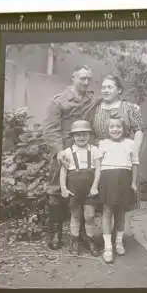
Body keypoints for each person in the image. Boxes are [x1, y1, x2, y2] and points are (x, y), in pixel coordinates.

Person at [43, 66, 97, 250]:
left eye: (89, 79)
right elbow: (50, 129)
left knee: (84, 188)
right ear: (73, 78)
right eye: (82, 78)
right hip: (64, 151)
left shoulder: (92, 100)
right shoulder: (59, 101)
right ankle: (55, 232)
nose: (86, 82)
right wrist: (59, 151)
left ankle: (81, 232)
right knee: (56, 190)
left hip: (84, 151)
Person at [92, 75, 144, 210]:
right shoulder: (95, 108)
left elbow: (138, 130)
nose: (105, 90)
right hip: (103, 157)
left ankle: (122, 230)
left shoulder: (129, 107)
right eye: (103, 87)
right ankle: (107, 230)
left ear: (119, 90)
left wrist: (135, 151)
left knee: (123, 197)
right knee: (106, 199)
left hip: (123, 156)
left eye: (110, 87)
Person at [98, 116, 139, 263]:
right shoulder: (103, 143)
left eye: (118, 127)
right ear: (107, 129)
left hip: (124, 179)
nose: (115, 129)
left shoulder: (130, 143)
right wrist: (97, 182)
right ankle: (108, 246)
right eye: (112, 127)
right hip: (107, 179)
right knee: (107, 212)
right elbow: (98, 164)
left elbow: (134, 164)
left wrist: (133, 182)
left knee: (121, 213)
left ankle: (118, 242)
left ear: (124, 129)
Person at [59, 120, 102, 256]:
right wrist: (63, 188)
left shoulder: (94, 150)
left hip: (90, 189)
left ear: (89, 135)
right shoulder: (68, 152)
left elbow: (98, 170)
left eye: (84, 134)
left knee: (89, 216)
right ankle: (74, 241)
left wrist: (95, 186)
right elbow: (63, 171)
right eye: (78, 135)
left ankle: (90, 240)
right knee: (75, 215)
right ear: (73, 137)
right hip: (74, 189)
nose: (81, 138)